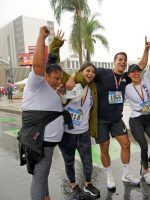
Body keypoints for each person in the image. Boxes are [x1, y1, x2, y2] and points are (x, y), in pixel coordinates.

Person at [66, 38, 150, 190]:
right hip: (101, 120)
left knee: (126, 144)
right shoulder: (102, 72)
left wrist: (146, 49)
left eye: (124, 60)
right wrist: (73, 78)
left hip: (116, 119)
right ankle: (109, 175)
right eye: (120, 59)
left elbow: (141, 66)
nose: (123, 62)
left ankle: (126, 174)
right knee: (104, 148)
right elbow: (86, 73)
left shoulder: (126, 77)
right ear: (114, 61)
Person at [18, 26, 72, 200]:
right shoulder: (36, 83)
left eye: (60, 78)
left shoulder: (53, 91)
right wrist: (41, 36)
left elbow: (59, 109)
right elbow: (38, 65)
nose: (58, 82)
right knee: (40, 178)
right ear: (45, 76)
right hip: (41, 141)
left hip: (47, 142)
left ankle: (46, 197)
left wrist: (63, 95)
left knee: (43, 175)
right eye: (55, 78)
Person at [49, 30, 101, 199]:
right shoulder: (68, 80)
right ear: (81, 71)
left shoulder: (92, 88)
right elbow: (53, 62)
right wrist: (56, 43)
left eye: (92, 72)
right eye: (87, 70)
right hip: (67, 132)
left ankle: (88, 185)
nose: (90, 73)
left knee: (88, 161)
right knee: (69, 161)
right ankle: (73, 187)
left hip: (84, 132)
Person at [125, 34, 150, 185]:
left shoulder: (147, 78)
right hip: (136, 120)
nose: (136, 73)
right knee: (144, 145)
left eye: (137, 71)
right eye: (133, 72)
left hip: (148, 119)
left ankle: (145, 163)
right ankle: (145, 172)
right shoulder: (126, 87)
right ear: (129, 75)